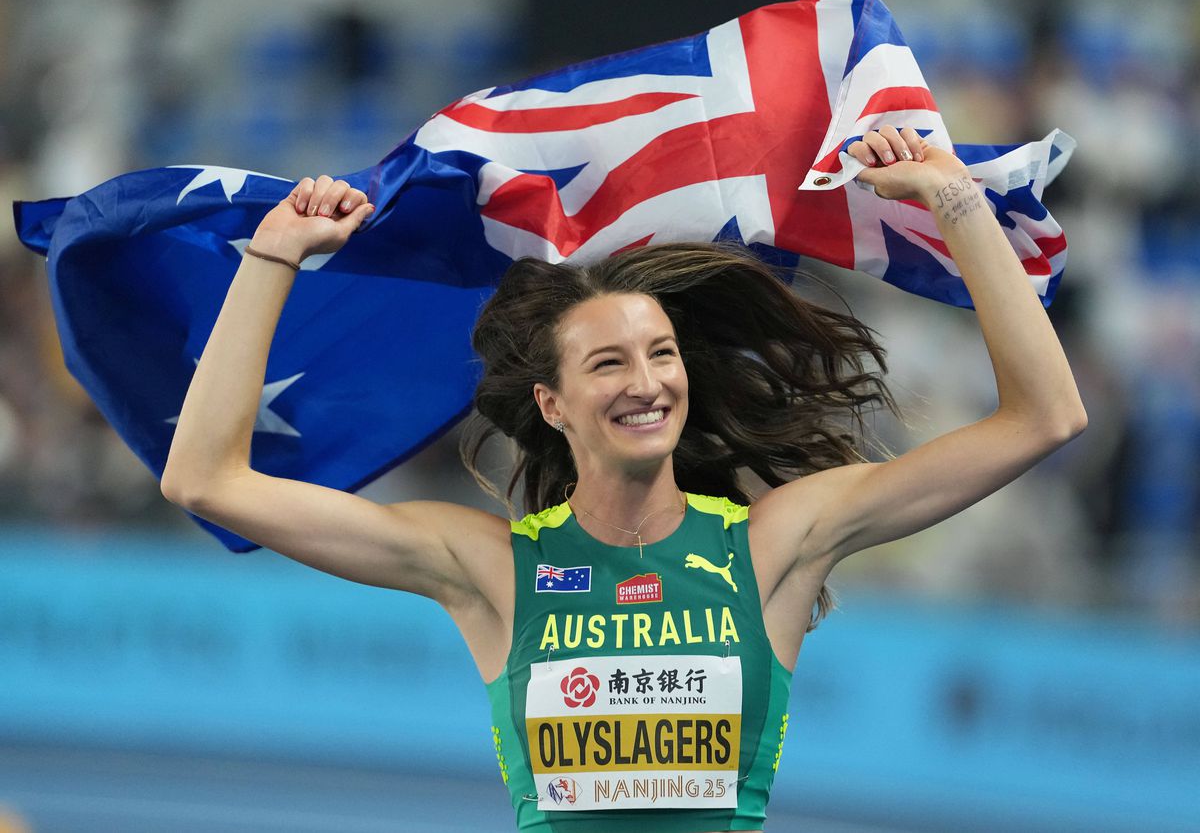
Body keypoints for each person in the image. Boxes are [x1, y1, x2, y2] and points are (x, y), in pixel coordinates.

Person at [160, 126, 1087, 832]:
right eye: (608, 363)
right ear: (553, 404)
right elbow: (205, 478)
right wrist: (273, 255)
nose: (646, 382)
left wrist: (952, 195)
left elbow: (1045, 415)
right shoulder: (493, 570)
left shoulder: (773, 545)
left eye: (661, 353)